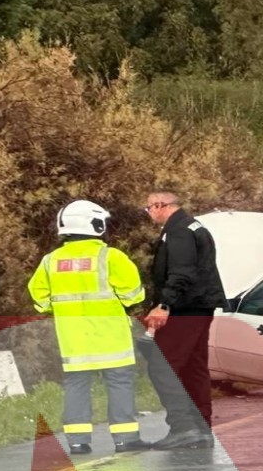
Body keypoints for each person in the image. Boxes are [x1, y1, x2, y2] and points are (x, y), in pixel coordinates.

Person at [28, 201, 149, 455]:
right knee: (119, 384)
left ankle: (77, 442)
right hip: (111, 337)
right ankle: (125, 439)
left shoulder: (50, 261)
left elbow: (39, 297)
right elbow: (133, 294)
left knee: (76, 385)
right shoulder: (110, 256)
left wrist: (56, 308)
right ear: (94, 225)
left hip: (73, 339)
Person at [143, 189, 225, 449]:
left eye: (148, 208)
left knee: (162, 365)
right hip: (200, 306)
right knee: (193, 367)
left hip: (185, 307)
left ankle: (183, 427)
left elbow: (182, 272)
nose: (148, 213)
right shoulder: (193, 226)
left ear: (160, 205)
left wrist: (165, 304)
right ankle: (201, 428)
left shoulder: (178, 231)